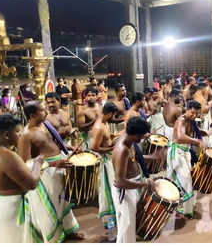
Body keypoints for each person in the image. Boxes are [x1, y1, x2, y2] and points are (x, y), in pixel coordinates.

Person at [18, 101, 83, 242]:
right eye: (42, 110)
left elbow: (51, 142)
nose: (46, 112)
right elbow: (25, 164)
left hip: (59, 167)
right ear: (32, 115)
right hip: (46, 173)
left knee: (64, 202)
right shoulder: (26, 135)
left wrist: (67, 147)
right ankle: (54, 238)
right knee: (51, 207)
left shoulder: (45, 124)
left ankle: (69, 230)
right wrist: (53, 163)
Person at [0, 114, 45, 243]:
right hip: (12, 209)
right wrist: (38, 163)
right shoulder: (7, 156)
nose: (22, 135)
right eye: (18, 132)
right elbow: (32, 183)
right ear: (6, 135)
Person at [111, 117, 154, 243]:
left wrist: (152, 157)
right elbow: (120, 181)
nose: (142, 138)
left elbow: (132, 161)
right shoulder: (122, 149)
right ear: (135, 134)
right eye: (141, 136)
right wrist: (144, 184)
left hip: (131, 187)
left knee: (128, 225)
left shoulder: (130, 142)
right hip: (124, 191)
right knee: (127, 226)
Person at [167, 100, 207, 219]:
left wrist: (205, 133)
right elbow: (180, 137)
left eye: (196, 114)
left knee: (188, 179)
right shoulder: (181, 121)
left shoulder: (191, 121)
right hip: (177, 153)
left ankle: (185, 209)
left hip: (185, 153)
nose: (194, 116)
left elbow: (191, 134)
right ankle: (180, 208)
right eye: (193, 113)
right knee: (184, 180)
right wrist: (197, 141)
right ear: (187, 109)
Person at [90, 102, 119, 239]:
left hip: (109, 160)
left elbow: (106, 139)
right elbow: (94, 147)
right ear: (109, 114)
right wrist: (110, 149)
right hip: (104, 162)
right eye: (113, 115)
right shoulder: (99, 127)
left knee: (114, 192)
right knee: (107, 193)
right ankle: (110, 228)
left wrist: (114, 137)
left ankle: (115, 222)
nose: (114, 118)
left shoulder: (105, 123)